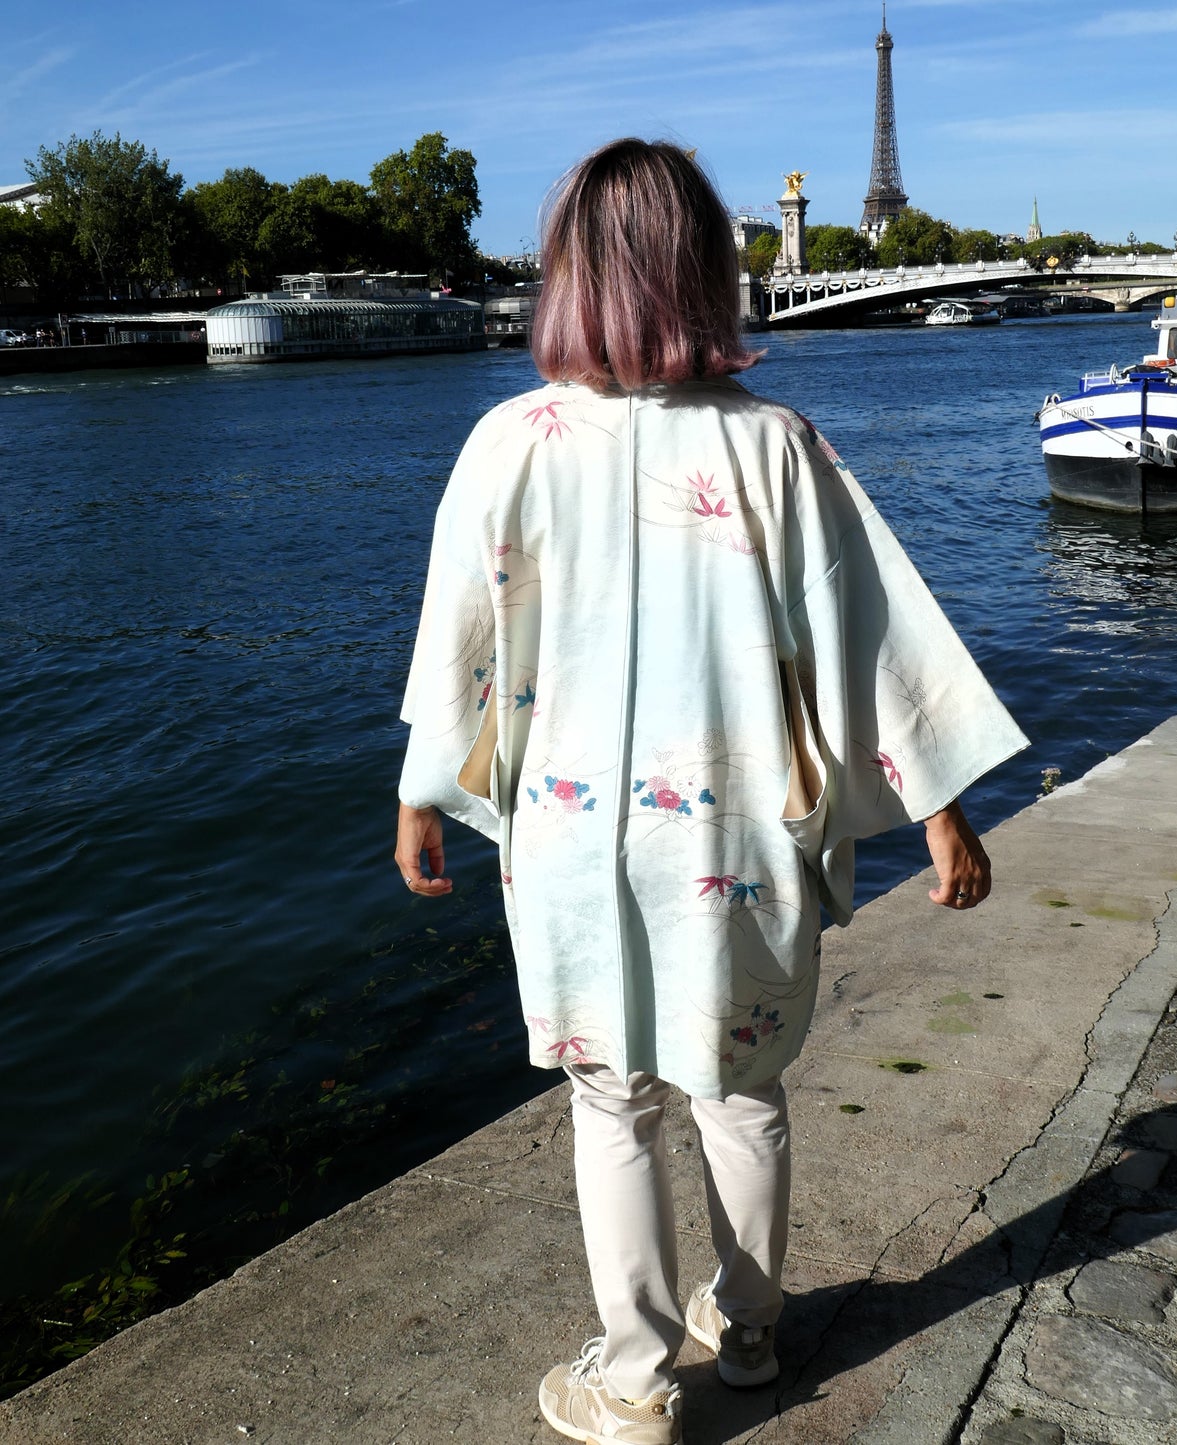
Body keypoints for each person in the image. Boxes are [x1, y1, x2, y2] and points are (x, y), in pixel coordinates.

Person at [394, 138, 1026, 1445]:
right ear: (709, 272)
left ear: (566, 271)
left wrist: (419, 792)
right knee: (740, 1091)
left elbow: (458, 643)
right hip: (729, 836)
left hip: (570, 832)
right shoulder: (773, 444)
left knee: (609, 1101)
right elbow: (863, 638)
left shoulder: (510, 440)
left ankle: (629, 1380)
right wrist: (937, 806)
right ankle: (744, 1334)